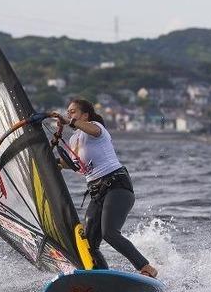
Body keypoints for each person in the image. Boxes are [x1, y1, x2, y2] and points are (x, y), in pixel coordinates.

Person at [55, 99, 159, 278]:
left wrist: (69, 121)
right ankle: (100, 277)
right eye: (68, 112)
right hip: (97, 193)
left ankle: (147, 268)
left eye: (73, 111)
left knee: (109, 233)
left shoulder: (96, 128)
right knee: (89, 244)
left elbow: (93, 131)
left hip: (117, 186)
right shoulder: (74, 139)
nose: (69, 114)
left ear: (85, 115)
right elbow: (68, 163)